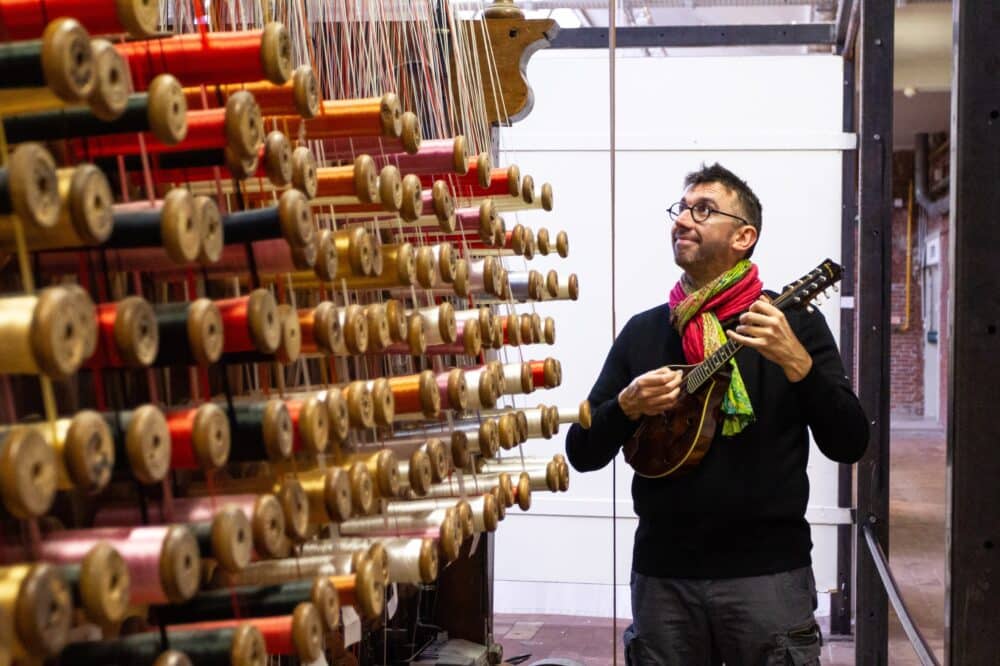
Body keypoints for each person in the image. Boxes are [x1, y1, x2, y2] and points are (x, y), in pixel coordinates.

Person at [564, 163, 869, 665]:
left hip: (768, 578)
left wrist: (799, 365)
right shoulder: (645, 332)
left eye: (703, 210)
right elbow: (581, 452)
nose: (683, 220)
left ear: (744, 237)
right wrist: (625, 407)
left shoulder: (791, 324)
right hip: (664, 579)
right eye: (680, 209)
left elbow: (850, 441)